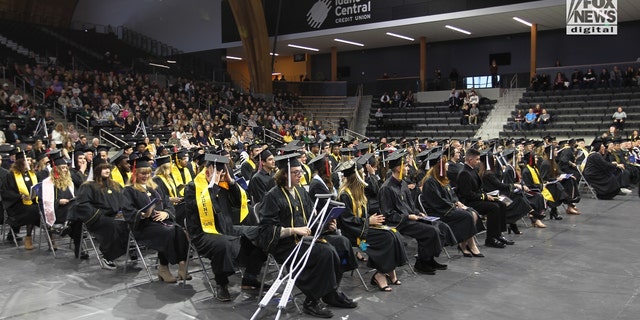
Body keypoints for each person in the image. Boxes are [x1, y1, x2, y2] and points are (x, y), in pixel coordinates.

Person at [258, 153, 357, 318]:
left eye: (300, 171)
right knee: (326, 252)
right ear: (284, 174)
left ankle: (331, 291)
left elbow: (312, 219)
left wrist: (325, 225)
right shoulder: (272, 196)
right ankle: (312, 300)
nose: (300, 175)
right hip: (287, 245)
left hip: (306, 239)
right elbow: (266, 231)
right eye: (296, 172)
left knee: (342, 244)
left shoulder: (300, 192)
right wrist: (295, 230)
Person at [183, 153, 267, 302]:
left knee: (262, 233)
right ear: (208, 172)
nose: (221, 178)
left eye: (223, 174)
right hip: (204, 233)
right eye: (219, 175)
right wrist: (212, 186)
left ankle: (250, 277)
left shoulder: (224, 185)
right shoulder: (193, 187)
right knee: (224, 243)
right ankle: (222, 284)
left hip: (226, 227)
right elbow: (206, 208)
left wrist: (232, 183)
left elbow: (237, 203)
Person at [335, 158, 407, 291]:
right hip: (356, 238)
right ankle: (380, 274)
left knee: (393, 233)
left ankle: (388, 270)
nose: (364, 175)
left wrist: (371, 220)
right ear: (355, 176)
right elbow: (346, 221)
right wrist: (368, 221)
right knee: (386, 238)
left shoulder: (359, 192)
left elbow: (362, 215)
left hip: (363, 229)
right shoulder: (344, 195)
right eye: (362, 172)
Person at [378, 150, 447, 274]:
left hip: (411, 218)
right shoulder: (386, 188)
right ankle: (421, 263)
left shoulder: (403, 184)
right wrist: (408, 216)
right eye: (406, 166)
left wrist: (418, 212)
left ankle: (428, 259)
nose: (408, 168)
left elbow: (410, 205)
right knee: (430, 231)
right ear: (399, 168)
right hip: (399, 223)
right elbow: (388, 214)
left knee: (439, 225)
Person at [122, 156, 189, 283]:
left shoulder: (156, 187)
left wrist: (166, 213)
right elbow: (128, 212)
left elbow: (168, 204)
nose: (146, 176)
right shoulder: (129, 190)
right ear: (135, 173)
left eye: (148, 173)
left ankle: (182, 266)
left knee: (179, 230)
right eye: (143, 173)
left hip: (163, 222)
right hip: (143, 227)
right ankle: (163, 268)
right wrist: (142, 215)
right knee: (168, 232)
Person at [420, 153, 482, 258]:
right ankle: (470, 245)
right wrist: (454, 206)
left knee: (473, 212)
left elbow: (452, 195)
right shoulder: (430, 181)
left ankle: (463, 244)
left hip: (448, 208)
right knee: (467, 215)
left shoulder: (442, 178)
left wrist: (458, 203)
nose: (448, 165)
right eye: (445, 164)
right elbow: (438, 201)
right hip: (439, 211)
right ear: (439, 166)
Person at [73, 157, 130, 269]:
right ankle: (107, 257)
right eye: (104, 169)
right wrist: (98, 215)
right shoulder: (88, 186)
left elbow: (124, 199)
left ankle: (126, 250)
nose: (107, 171)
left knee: (128, 223)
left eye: (108, 168)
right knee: (114, 225)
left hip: (115, 215)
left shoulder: (115, 184)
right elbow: (83, 205)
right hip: (98, 218)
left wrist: (122, 212)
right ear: (96, 170)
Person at [456, 148, 512, 249]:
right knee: (493, 207)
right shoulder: (464, 173)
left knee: (501, 204)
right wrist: (485, 196)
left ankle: (498, 234)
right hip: (469, 202)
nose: (479, 162)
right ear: (470, 160)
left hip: (477, 199)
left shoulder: (472, 170)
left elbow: (478, 189)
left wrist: (489, 196)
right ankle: (490, 239)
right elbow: (467, 194)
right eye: (477, 160)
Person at [479, 151, 533, 235]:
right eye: (492, 158)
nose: (495, 160)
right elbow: (500, 185)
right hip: (494, 196)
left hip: (494, 194)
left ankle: (515, 223)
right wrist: (515, 185)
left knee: (516, 197)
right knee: (516, 200)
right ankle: (513, 222)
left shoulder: (483, 172)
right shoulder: (488, 174)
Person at [1, 148, 40, 250]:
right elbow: (6, 192)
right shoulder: (11, 175)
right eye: (26, 160)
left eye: (30, 160)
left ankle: (51, 234)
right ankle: (28, 236)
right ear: (20, 162)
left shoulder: (33, 174)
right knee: (33, 210)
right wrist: (20, 196)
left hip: (32, 202)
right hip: (16, 205)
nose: (29, 162)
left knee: (42, 207)